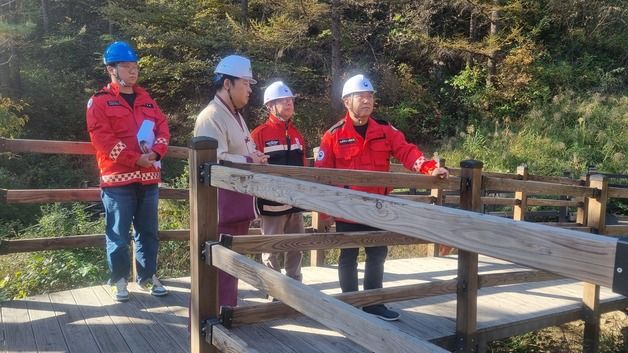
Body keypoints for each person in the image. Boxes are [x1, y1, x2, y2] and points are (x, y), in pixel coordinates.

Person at [314, 74, 449, 321]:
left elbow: (408, 152)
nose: (367, 101)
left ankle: (374, 304)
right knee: (349, 256)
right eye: (361, 97)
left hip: (378, 207)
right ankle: (350, 305)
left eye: (370, 96)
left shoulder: (385, 130)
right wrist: (324, 213)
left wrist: (430, 169)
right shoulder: (332, 135)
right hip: (348, 209)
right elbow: (323, 177)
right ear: (347, 102)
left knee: (377, 254)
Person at [86, 41, 170, 301]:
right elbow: (103, 139)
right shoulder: (99, 101)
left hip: (149, 179)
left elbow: (163, 128)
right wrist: (135, 159)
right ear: (112, 69)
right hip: (117, 181)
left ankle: (147, 276)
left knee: (148, 232)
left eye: (135, 67)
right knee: (119, 234)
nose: (133, 72)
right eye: (126, 66)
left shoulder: (147, 100)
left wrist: (157, 152)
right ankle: (119, 278)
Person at [194, 54, 267, 307]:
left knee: (231, 267)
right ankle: (211, 322)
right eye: (245, 83)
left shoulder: (235, 115)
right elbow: (214, 160)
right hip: (218, 207)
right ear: (227, 83)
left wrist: (253, 156)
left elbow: (238, 151)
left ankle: (226, 313)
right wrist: (250, 161)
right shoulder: (211, 116)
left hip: (235, 205)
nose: (249, 90)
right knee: (217, 267)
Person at [251, 81, 306, 283]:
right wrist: (254, 209)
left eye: (290, 99)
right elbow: (251, 172)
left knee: (297, 246)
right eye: (283, 100)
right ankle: (274, 288)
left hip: (295, 202)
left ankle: (295, 284)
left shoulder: (297, 134)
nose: (289, 103)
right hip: (270, 204)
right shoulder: (259, 134)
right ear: (270, 105)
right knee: (271, 248)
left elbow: (304, 168)